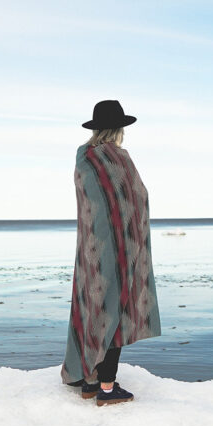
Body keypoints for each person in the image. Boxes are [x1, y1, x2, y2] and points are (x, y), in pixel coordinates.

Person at [60, 99, 162, 406]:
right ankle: (106, 387)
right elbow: (135, 198)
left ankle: (87, 378)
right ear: (118, 129)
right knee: (117, 309)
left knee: (91, 306)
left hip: (91, 247)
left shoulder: (84, 158)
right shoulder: (117, 158)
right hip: (120, 248)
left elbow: (96, 201)